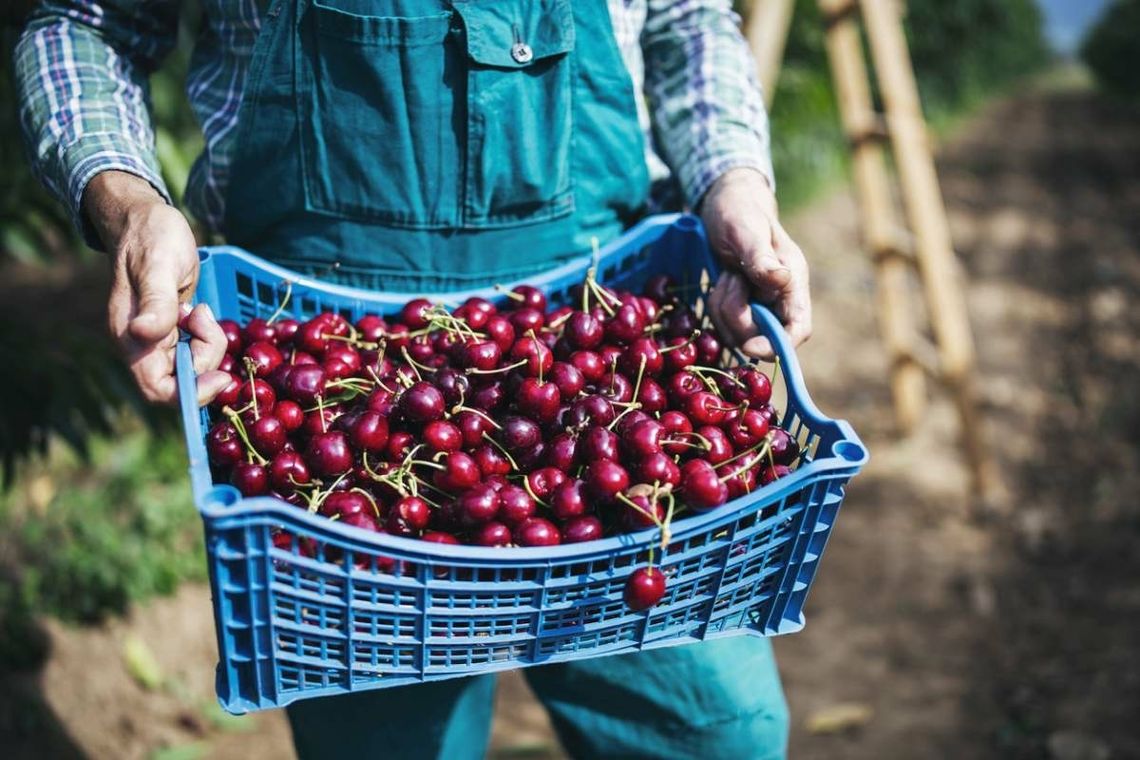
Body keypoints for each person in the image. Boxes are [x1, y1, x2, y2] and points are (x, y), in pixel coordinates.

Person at [16, 1, 811, 757]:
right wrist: (127, 202)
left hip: (599, 297)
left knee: (716, 733)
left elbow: (685, 19)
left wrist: (734, 179)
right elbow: (82, 23)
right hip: (316, 345)